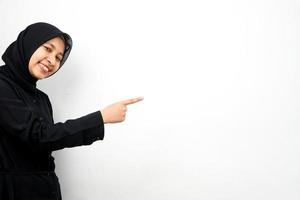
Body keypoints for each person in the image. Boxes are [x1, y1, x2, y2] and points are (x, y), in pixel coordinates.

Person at [0, 22, 143, 200]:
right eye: (47, 48)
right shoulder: (2, 85)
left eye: (59, 57)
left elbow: (46, 147)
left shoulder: (42, 99)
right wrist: (100, 118)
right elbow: (38, 136)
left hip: (46, 190)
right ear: (28, 44)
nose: (52, 61)